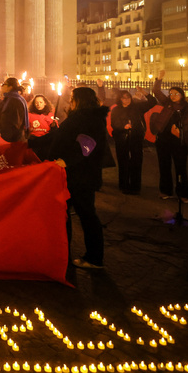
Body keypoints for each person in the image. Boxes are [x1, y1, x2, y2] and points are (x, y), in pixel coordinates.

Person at [48, 86, 109, 270]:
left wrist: (67, 160)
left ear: (80, 99)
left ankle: (94, 257)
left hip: (81, 176)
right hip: (76, 175)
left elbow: (88, 145)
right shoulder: (81, 116)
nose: (70, 100)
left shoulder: (89, 119)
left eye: (73, 97)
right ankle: (63, 253)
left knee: (86, 215)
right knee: (69, 213)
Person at [151, 72, 188, 202]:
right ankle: (166, 191)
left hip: (179, 142)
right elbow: (156, 91)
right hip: (164, 140)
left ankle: (183, 193)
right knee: (164, 166)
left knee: (180, 168)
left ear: (182, 95)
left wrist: (180, 134)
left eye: (176, 94)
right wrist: (159, 79)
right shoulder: (167, 104)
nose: (173, 96)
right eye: (171, 93)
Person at [108, 88, 156, 194]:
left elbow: (153, 102)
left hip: (136, 137)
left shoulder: (137, 107)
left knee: (136, 161)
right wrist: (123, 126)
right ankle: (124, 185)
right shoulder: (116, 110)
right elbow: (113, 124)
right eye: (123, 98)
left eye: (128, 97)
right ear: (120, 99)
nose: (126, 100)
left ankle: (135, 186)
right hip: (121, 138)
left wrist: (144, 92)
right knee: (123, 161)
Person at [0, 77, 29, 143]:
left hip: (12, 139)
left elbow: (15, 122)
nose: (2, 86)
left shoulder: (14, 100)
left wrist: (6, 137)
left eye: (4, 84)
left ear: (10, 87)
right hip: (11, 137)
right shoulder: (12, 98)